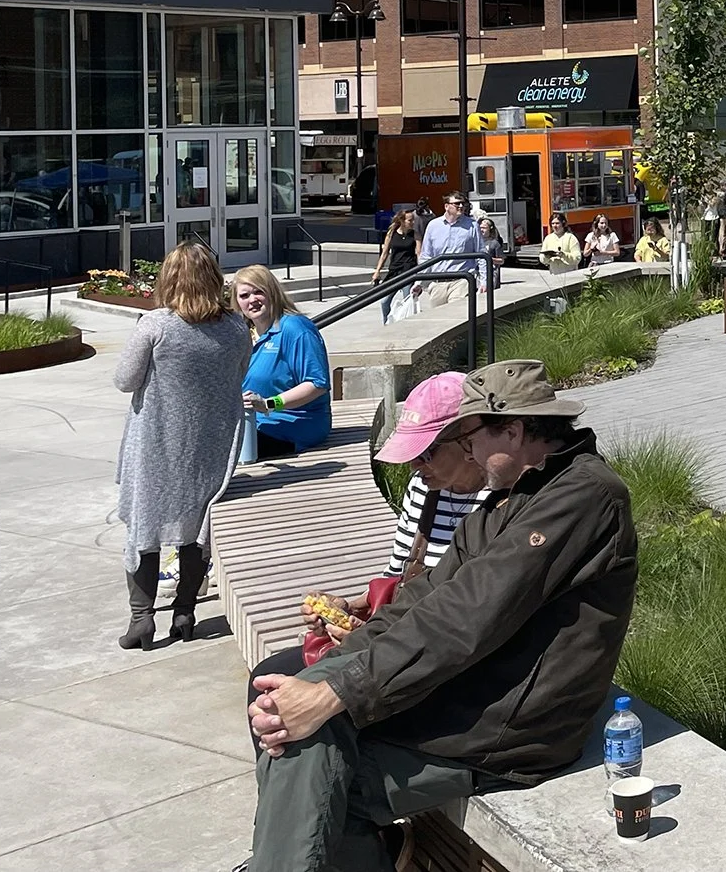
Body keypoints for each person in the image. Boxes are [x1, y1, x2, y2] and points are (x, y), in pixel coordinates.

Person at [241, 361, 638, 872]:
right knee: (293, 723)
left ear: (513, 430)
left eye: (468, 438)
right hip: (472, 697)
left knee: (308, 761)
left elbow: (465, 615)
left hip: (511, 732)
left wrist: (335, 691)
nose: (467, 453)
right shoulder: (511, 500)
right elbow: (422, 600)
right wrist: (329, 675)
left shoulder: (584, 496)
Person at [264, 374, 492, 686]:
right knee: (268, 675)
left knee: (287, 693)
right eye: (410, 452)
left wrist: (375, 640)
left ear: (469, 442)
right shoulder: (424, 488)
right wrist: (351, 607)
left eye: (425, 452)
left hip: (444, 657)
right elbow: (398, 576)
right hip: (397, 636)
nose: (414, 465)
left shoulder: (498, 505)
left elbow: (473, 617)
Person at [111, 241, 249, 648]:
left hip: (157, 444)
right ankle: (185, 613)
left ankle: (142, 619)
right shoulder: (236, 327)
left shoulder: (155, 325)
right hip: (211, 444)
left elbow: (125, 380)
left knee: (145, 526)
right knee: (195, 530)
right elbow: (238, 374)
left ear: (169, 280)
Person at [235, 266, 333, 459]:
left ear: (273, 292)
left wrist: (269, 404)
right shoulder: (244, 334)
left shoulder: (295, 328)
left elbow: (317, 384)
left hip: (292, 426)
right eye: (244, 295)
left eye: (259, 292)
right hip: (253, 423)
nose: (252, 300)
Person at [419, 191, 482, 288]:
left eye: (463, 203)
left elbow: (481, 253)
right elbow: (426, 256)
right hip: (438, 282)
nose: (461, 206)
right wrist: (419, 282)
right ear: (446, 206)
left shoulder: (472, 225)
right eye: (457, 203)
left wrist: (485, 281)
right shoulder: (433, 225)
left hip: (463, 280)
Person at [372, 208, 419, 323]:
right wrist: (377, 271)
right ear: (402, 221)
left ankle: (406, 323)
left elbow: (419, 253)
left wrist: (419, 273)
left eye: (413, 220)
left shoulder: (415, 234)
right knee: (384, 301)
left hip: (408, 270)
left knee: (407, 300)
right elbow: (385, 253)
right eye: (410, 220)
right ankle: (386, 324)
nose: (412, 222)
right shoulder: (391, 233)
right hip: (394, 270)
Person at [476, 216, 508, 288]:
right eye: (480, 228)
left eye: (484, 228)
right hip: (478, 274)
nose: (481, 230)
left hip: (491, 274)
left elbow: (501, 261)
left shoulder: (495, 243)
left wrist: (489, 259)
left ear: (490, 228)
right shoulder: (476, 242)